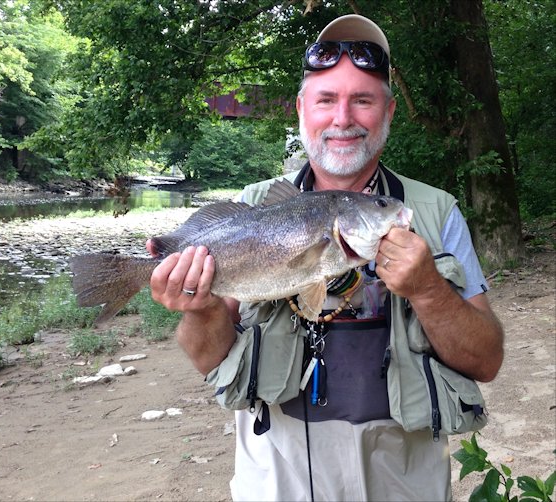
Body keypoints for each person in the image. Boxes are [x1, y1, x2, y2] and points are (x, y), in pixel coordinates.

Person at [147, 14, 504, 502]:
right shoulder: (251, 206)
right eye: (326, 100)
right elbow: (207, 355)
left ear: (389, 112)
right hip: (278, 473)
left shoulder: (436, 211)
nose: (343, 119)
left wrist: (427, 289)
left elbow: (486, 361)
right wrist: (202, 306)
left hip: (405, 477)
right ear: (301, 109)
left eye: (363, 100)